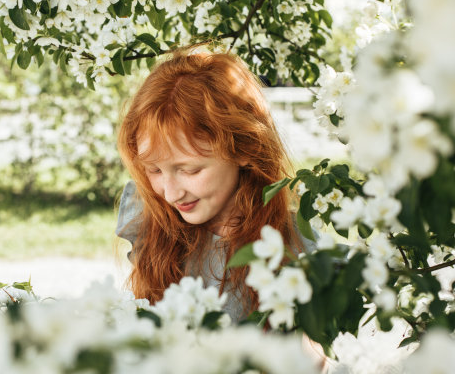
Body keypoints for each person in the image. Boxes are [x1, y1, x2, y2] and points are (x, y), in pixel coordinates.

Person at [115, 50, 314, 322]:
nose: (171, 193)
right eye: (154, 170)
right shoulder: (155, 223)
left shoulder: (295, 248)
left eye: (190, 170)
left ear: (244, 148)